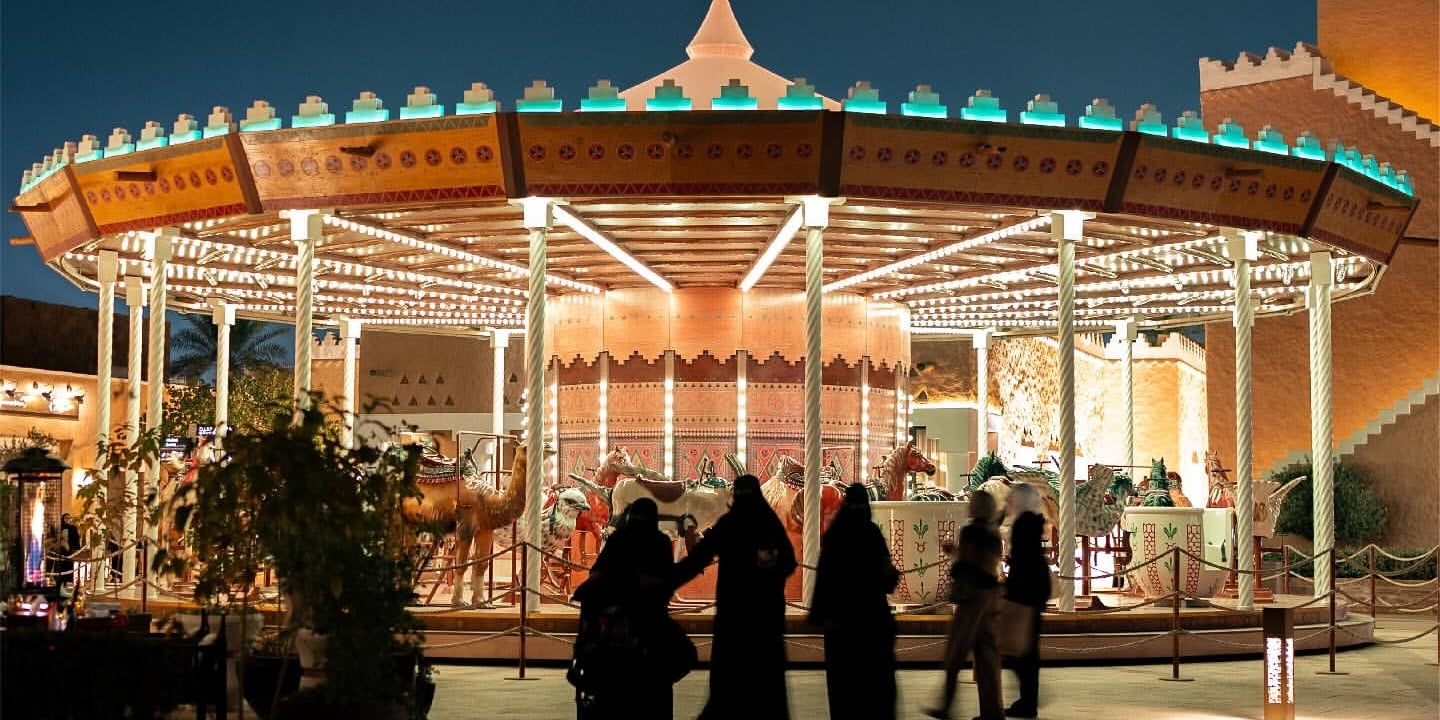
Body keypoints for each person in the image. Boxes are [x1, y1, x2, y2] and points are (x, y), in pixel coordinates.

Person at [675, 473, 797, 720]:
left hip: (733, 618)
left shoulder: (730, 523)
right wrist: (769, 567)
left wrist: (666, 582)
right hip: (765, 618)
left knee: (729, 684)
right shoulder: (769, 523)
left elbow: (698, 558)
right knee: (766, 685)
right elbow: (789, 562)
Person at [570, 498, 681, 720]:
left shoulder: (619, 539)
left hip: (614, 626)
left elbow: (596, 576)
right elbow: (666, 582)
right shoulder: (659, 541)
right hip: (648, 625)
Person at [808, 483, 901, 720]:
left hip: (842, 627)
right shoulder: (872, 534)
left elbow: (824, 579)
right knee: (876, 688)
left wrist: (819, 615)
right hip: (872, 622)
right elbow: (887, 578)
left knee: (844, 688)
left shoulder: (835, 536)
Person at [926, 490, 1004, 720]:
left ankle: (946, 705)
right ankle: (993, 712)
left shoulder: (971, 531)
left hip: (973, 598)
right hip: (992, 595)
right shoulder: (993, 532)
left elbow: (967, 563)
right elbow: (985, 561)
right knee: (987, 657)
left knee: (955, 653)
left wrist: (955, 558)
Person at [1001, 483, 1050, 719]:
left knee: (1020, 652)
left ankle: (1028, 701)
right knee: (1027, 652)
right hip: (1034, 592)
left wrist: (1008, 592)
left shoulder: (1022, 524)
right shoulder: (1033, 521)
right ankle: (1028, 699)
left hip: (1024, 594)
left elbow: (1023, 562)